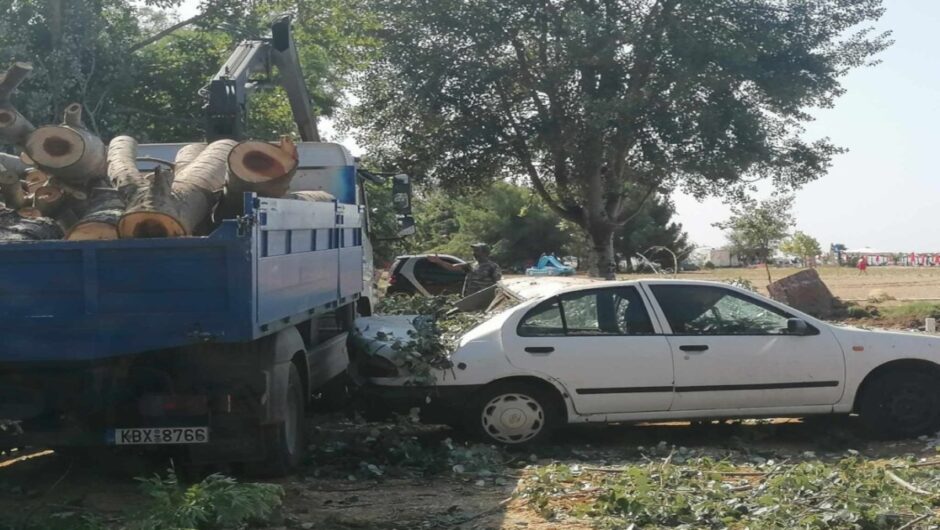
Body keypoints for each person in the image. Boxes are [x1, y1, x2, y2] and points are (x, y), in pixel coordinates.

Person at [428, 243, 502, 296]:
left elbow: (498, 284)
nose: (474, 253)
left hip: (485, 298)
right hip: (470, 299)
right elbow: (452, 267)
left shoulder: (493, 266)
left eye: (477, 251)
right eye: (474, 251)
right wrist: (439, 261)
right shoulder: (470, 265)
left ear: (485, 253)